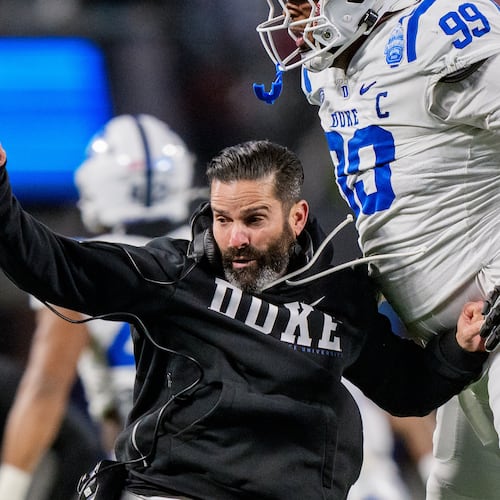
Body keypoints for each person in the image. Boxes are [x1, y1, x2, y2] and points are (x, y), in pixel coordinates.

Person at [0, 138, 489, 500]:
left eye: (254, 219)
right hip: (175, 491)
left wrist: (457, 351)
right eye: (222, 218)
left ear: (297, 218)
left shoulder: (342, 294)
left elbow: (404, 390)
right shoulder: (175, 273)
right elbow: (53, 267)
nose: (234, 238)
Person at [255, 1, 500, 498]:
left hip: (493, 309)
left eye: (304, 3)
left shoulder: (438, 28)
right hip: (461, 344)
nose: (294, 18)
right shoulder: (326, 71)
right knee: (458, 491)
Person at [0, 113, 203, 500]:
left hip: (145, 476)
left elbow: (45, 388)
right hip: (227, 465)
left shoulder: (84, 263)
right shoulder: (213, 256)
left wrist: (9, 489)